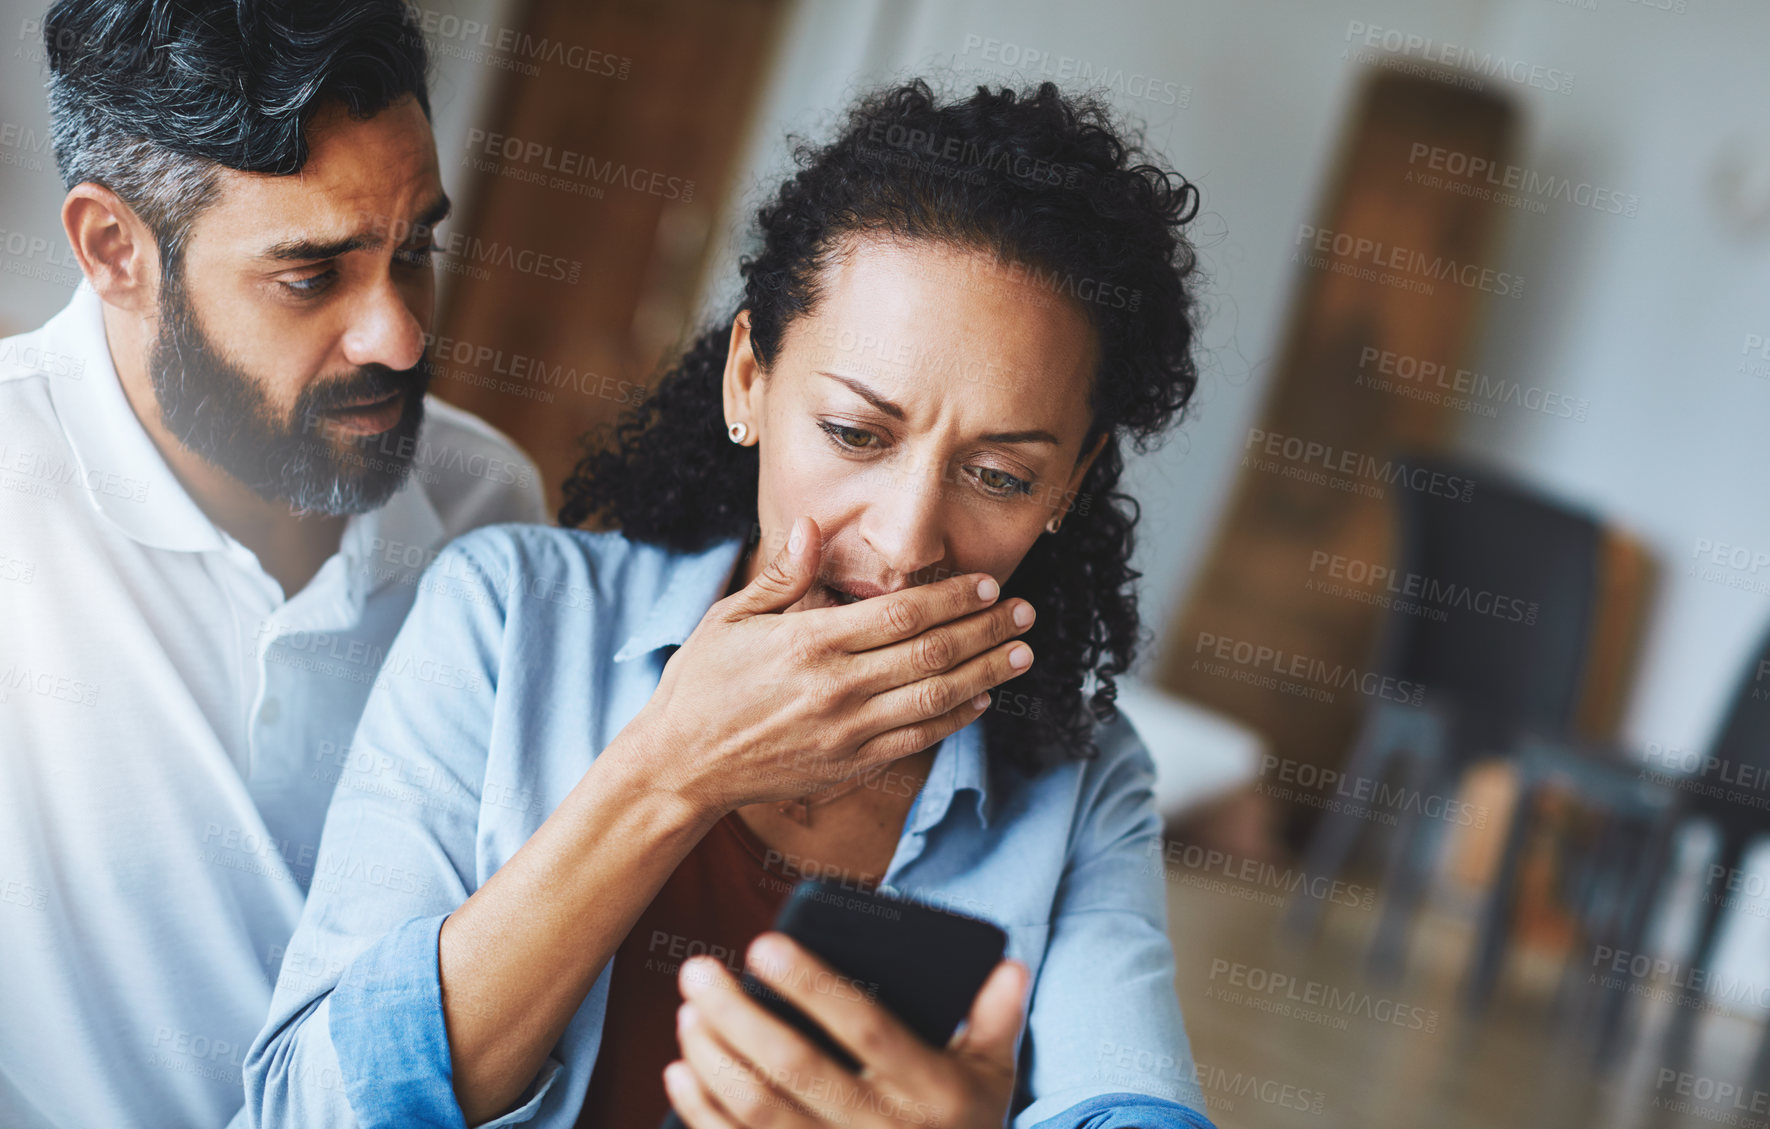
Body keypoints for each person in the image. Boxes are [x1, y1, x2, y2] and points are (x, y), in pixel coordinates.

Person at [245, 79, 1213, 1129]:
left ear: (1072, 481)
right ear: (749, 376)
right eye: (855, 433)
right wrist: (672, 768)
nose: (902, 544)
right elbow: (308, 1109)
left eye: (1002, 476)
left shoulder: (1082, 781)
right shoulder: (508, 616)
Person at [0, 2, 544, 1125]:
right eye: (311, 277)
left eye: (417, 250)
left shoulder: (493, 504)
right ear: (115, 250)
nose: (398, 336)